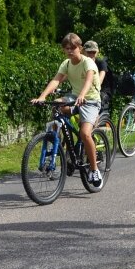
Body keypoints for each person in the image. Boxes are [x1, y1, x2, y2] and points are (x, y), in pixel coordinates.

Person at [32, 33, 103, 186]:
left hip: (90, 100)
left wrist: (82, 95)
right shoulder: (67, 63)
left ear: (80, 48)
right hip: (74, 97)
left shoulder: (88, 63)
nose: (70, 51)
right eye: (66, 48)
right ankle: (56, 142)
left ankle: (94, 170)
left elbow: (89, 80)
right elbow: (56, 80)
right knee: (57, 103)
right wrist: (42, 96)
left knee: (85, 133)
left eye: (73, 48)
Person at [84, 40, 114, 113]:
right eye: (89, 52)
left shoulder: (101, 63)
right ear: (83, 52)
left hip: (103, 90)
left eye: (93, 52)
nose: (91, 55)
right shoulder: (81, 63)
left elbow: (99, 82)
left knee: (97, 110)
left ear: (97, 52)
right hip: (88, 90)